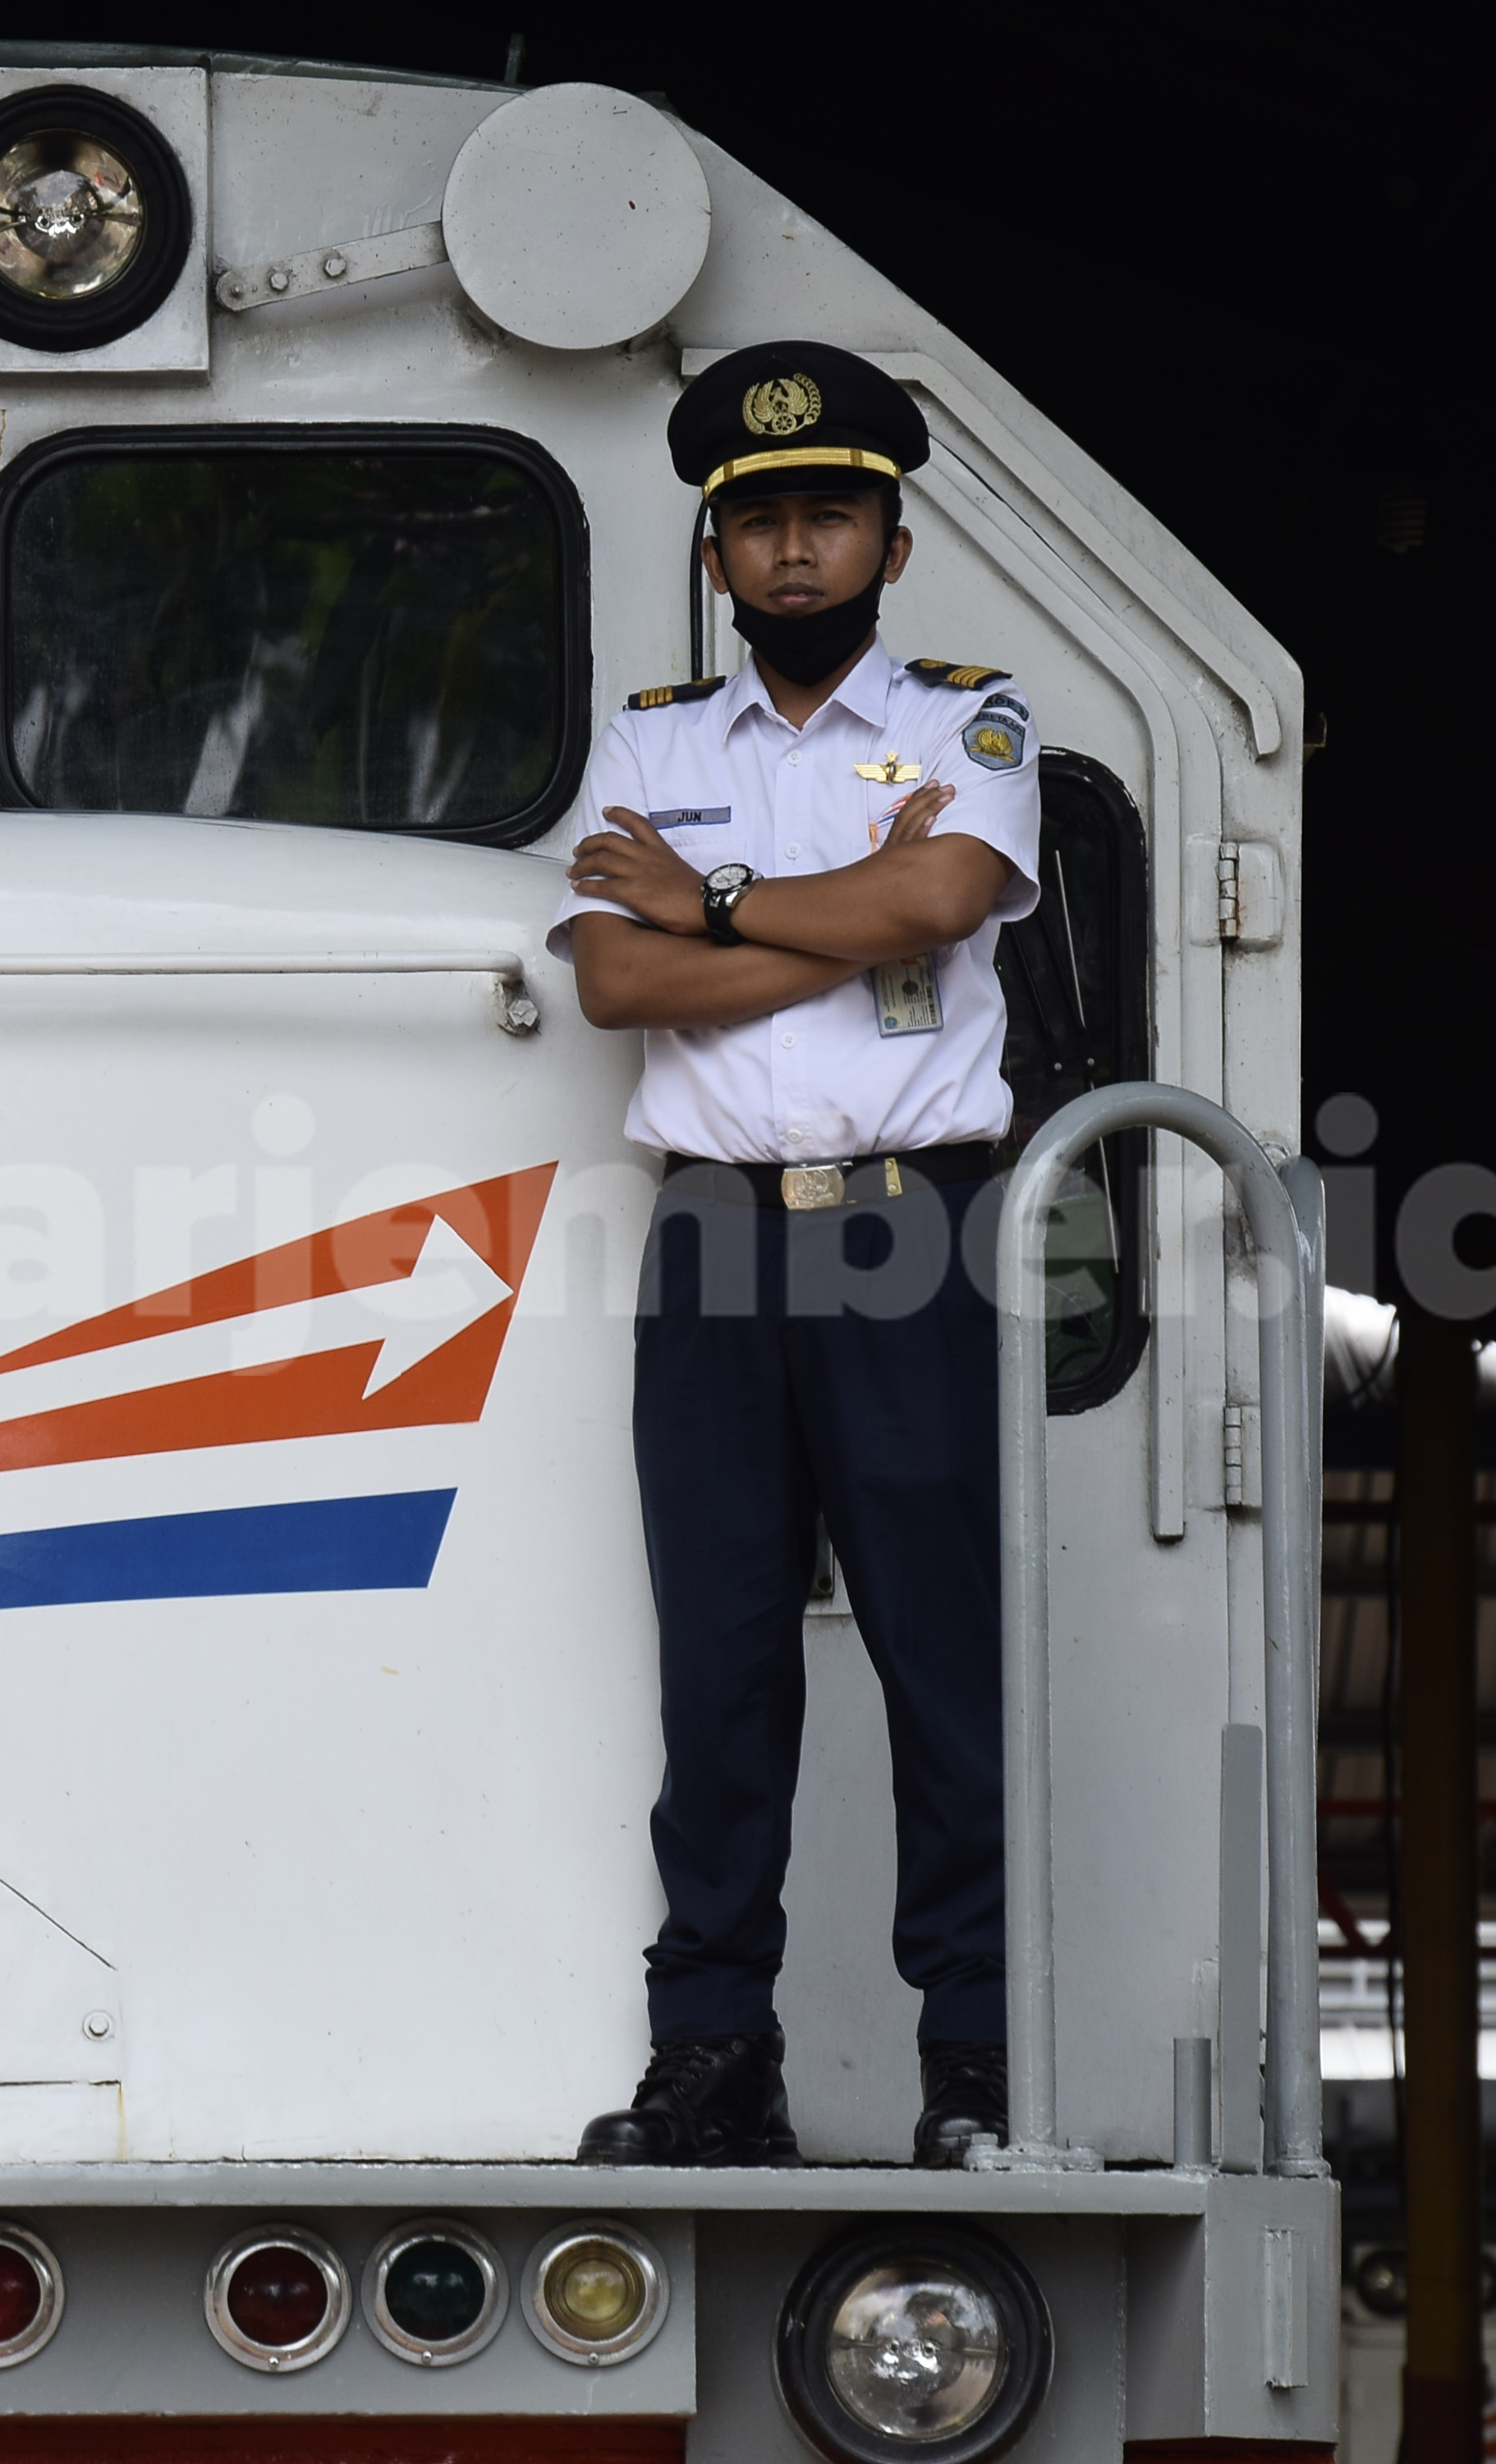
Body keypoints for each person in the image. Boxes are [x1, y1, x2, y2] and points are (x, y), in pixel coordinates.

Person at [548, 340, 1041, 2168]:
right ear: (716, 549)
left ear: (891, 543)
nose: (795, 550)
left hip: (906, 1229)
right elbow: (616, 978)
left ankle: (976, 2059)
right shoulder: (654, 740)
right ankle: (712, 2052)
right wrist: (815, 921)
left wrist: (724, 904)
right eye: (761, 522)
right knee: (724, 1660)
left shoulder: (970, 722)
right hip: (711, 1243)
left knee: (941, 1655)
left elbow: (938, 897)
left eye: (829, 515)